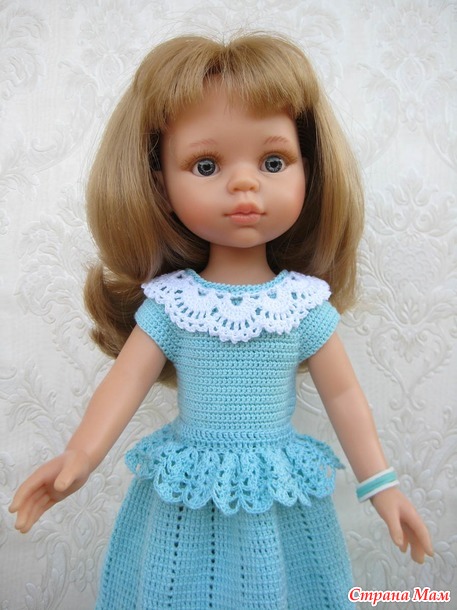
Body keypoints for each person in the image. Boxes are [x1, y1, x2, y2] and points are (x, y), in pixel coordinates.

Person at [9, 33, 433, 609]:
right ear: (159, 181)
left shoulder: (303, 304)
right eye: (206, 165)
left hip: (275, 496)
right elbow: (125, 381)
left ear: (310, 171)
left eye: (273, 162)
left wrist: (382, 487)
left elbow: (344, 396)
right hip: (190, 493)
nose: (244, 183)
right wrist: (78, 458)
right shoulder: (174, 303)